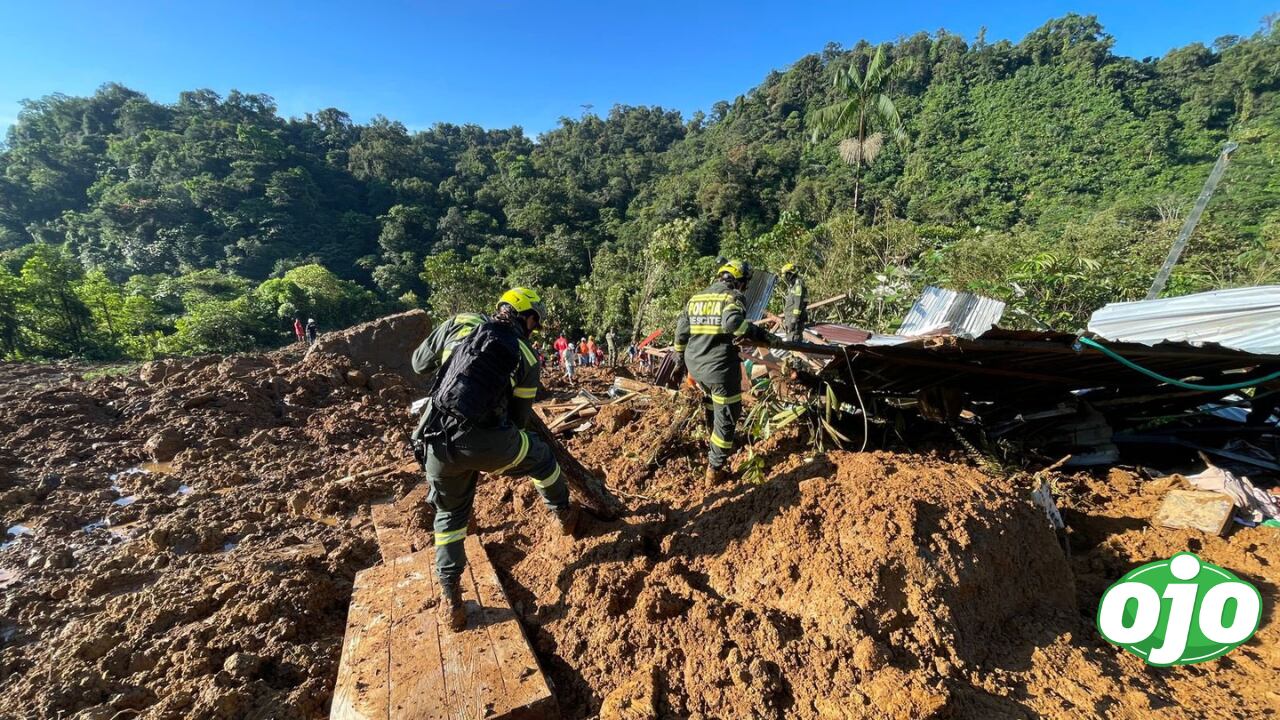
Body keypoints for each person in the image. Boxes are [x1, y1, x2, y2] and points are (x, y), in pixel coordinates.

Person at [409, 288, 577, 632]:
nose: (534, 327)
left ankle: (451, 598)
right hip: (487, 443)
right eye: (534, 320)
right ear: (524, 316)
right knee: (543, 458)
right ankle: (563, 514)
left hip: (435, 440)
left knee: (451, 515)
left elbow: (418, 364)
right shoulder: (527, 356)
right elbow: (519, 421)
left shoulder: (458, 322)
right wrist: (496, 454)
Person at [674, 260, 778, 482]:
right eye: (745, 284)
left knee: (713, 404)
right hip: (719, 369)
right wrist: (759, 334)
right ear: (739, 281)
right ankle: (715, 468)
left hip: (696, 367)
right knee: (728, 415)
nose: (745, 288)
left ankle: (713, 440)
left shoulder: (697, 298)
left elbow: (681, 332)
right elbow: (732, 323)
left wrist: (679, 359)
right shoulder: (732, 297)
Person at [779, 262, 808, 344]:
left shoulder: (798, 286)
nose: (784, 277)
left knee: (794, 341)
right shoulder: (793, 285)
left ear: (789, 274)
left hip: (795, 321)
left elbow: (798, 305)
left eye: (785, 275)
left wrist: (793, 320)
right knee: (791, 340)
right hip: (791, 320)